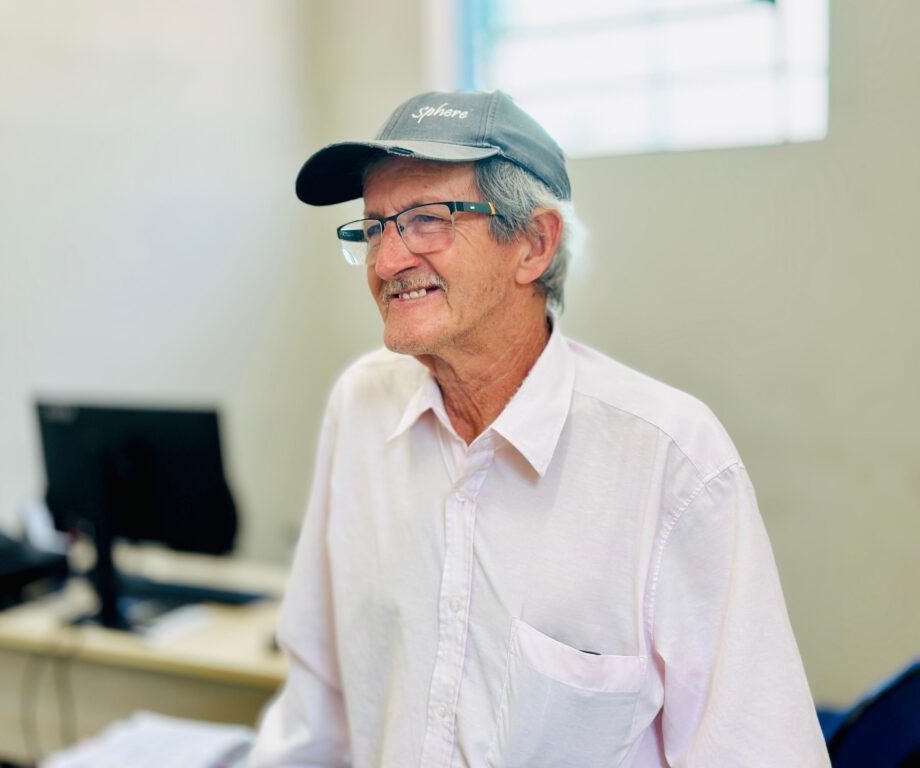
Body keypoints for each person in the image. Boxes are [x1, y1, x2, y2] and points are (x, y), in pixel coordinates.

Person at [249, 91, 829, 767]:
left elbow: (756, 750)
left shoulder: (670, 461)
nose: (386, 263)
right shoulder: (361, 407)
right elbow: (317, 708)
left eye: (425, 221)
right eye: (374, 228)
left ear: (533, 243)